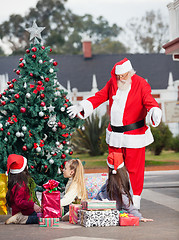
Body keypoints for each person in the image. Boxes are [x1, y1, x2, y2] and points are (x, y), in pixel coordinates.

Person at [67, 58, 162, 209]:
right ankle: (115, 200)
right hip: (115, 136)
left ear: (130, 73)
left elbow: (148, 100)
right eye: (118, 76)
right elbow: (99, 96)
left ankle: (133, 203)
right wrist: (82, 106)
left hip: (134, 136)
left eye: (123, 76)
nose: (120, 79)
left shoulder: (140, 83)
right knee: (114, 167)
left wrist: (155, 111)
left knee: (134, 171)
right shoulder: (113, 83)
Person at [95, 152, 153, 222]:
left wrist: (94, 202)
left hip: (102, 207)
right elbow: (127, 202)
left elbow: (101, 193)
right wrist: (139, 216)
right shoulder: (123, 179)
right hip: (112, 210)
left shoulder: (113, 179)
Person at [5, 154, 41, 225]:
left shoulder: (16, 182)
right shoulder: (21, 185)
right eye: (26, 166)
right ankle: (19, 219)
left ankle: (19, 217)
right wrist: (32, 205)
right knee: (40, 219)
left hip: (25, 211)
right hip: (23, 212)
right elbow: (19, 202)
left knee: (40, 214)